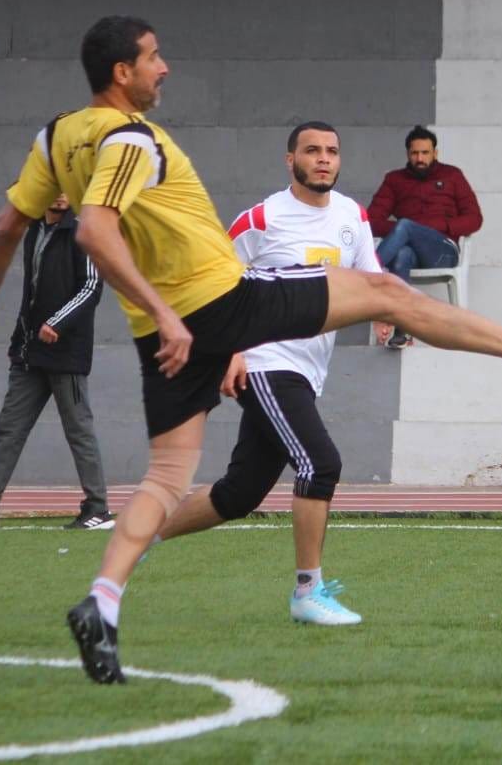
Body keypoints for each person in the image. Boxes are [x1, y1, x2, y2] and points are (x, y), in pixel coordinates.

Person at [0, 16, 502, 686]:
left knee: (175, 480)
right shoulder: (132, 140)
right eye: (153, 56)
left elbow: (7, 224)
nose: (164, 67)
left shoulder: (56, 136)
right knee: (385, 304)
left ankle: (103, 600)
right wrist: (175, 314)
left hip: (166, 335)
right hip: (223, 304)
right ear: (121, 71)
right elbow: (94, 232)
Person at [157, 122, 379, 626]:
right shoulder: (260, 219)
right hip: (264, 362)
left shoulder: (353, 216)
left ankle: (138, 536)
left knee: (239, 493)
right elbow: (210, 286)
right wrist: (228, 350)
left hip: (307, 372)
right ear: (290, 159)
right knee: (319, 464)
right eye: (312, 150)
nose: (323, 159)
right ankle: (308, 591)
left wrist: (389, 312)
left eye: (332, 151)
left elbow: (372, 278)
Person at [0, 194, 113, 532]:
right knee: (10, 427)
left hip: (66, 353)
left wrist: (57, 323)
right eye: (54, 186)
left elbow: (92, 287)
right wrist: (20, 341)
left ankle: (98, 509)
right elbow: (31, 291)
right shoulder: (34, 230)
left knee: (78, 431)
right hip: (29, 351)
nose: (61, 194)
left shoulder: (85, 230)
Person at [366, 125, 483, 348]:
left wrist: (441, 225)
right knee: (401, 255)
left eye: (425, 153)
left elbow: (474, 219)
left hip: (443, 251)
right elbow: (370, 221)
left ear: (435, 153)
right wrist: (401, 230)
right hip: (411, 251)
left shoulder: (452, 175)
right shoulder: (394, 180)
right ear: (407, 154)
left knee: (406, 226)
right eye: (415, 153)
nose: (420, 158)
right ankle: (403, 332)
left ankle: (368, 277)